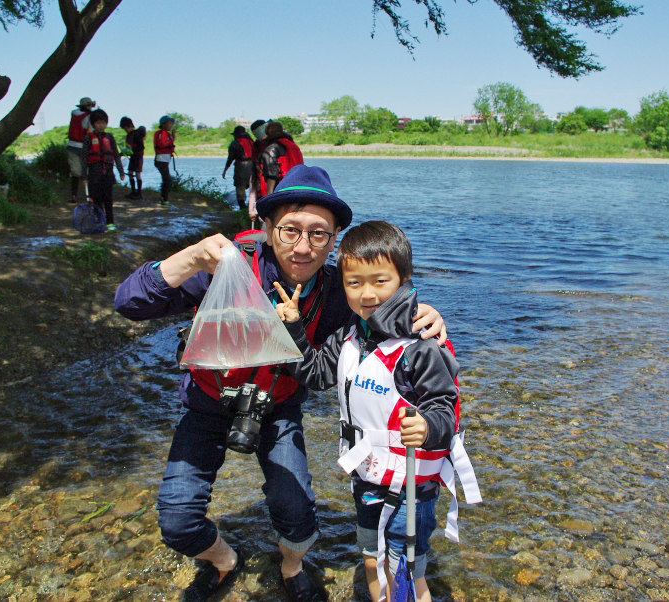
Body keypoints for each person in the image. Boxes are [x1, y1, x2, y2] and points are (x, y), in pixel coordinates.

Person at [114, 165, 447, 602]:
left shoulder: (337, 291)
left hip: (278, 406)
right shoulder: (227, 267)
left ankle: (290, 565)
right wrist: (192, 257)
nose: (303, 247)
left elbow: (383, 307)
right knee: (177, 521)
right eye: (290, 230)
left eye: (319, 235)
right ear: (266, 226)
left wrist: (425, 316)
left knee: (299, 517)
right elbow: (129, 303)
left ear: (335, 241)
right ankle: (224, 560)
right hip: (208, 401)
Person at [273, 221, 480, 602]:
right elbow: (316, 374)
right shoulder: (350, 336)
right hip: (367, 476)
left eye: (380, 281)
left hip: (410, 486)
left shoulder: (421, 345)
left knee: (407, 567)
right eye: (354, 283)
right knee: (372, 558)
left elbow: (443, 406)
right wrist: (294, 329)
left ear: (404, 279)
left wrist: (428, 426)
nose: (367, 294)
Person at [80, 109, 124, 232]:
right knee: (97, 201)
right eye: (98, 123)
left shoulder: (110, 137)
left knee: (108, 200)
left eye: (103, 123)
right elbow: (84, 157)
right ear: (93, 124)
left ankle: (110, 222)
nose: (101, 125)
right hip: (94, 174)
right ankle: (100, 222)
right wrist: (84, 176)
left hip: (108, 174)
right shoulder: (88, 138)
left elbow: (115, 154)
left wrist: (121, 171)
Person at [259, 121, 303, 196]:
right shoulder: (293, 145)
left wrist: (268, 197)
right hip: (298, 186)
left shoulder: (271, 149)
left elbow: (271, 175)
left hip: (282, 189)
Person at [66, 97, 96, 204]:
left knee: (75, 173)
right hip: (84, 146)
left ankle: (73, 195)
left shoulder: (73, 113)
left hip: (71, 145)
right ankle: (89, 195)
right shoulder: (89, 117)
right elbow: (91, 130)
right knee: (87, 171)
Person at [222, 125, 256, 211]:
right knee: (253, 188)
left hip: (241, 167)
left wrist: (225, 170)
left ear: (236, 134)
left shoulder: (235, 143)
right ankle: (252, 207)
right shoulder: (251, 141)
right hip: (253, 166)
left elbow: (230, 158)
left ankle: (242, 208)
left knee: (240, 188)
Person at [120, 116, 146, 200]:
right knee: (130, 173)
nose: (125, 130)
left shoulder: (136, 134)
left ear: (129, 126)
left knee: (138, 174)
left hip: (138, 157)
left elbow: (141, 147)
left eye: (125, 128)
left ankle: (139, 193)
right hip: (133, 157)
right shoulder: (129, 135)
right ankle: (133, 191)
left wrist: (132, 149)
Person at [154, 115, 175, 206]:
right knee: (167, 179)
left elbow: (168, 143)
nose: (170, 126)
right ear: (163, 125)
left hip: (165, 160)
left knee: (166, 179)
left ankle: (163, 198)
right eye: (169, 123)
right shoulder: (162, 133)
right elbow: (163, 144)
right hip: (161, 160)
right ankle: (164, 200)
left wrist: (173, 136)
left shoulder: (166, 134)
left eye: (171, 124)